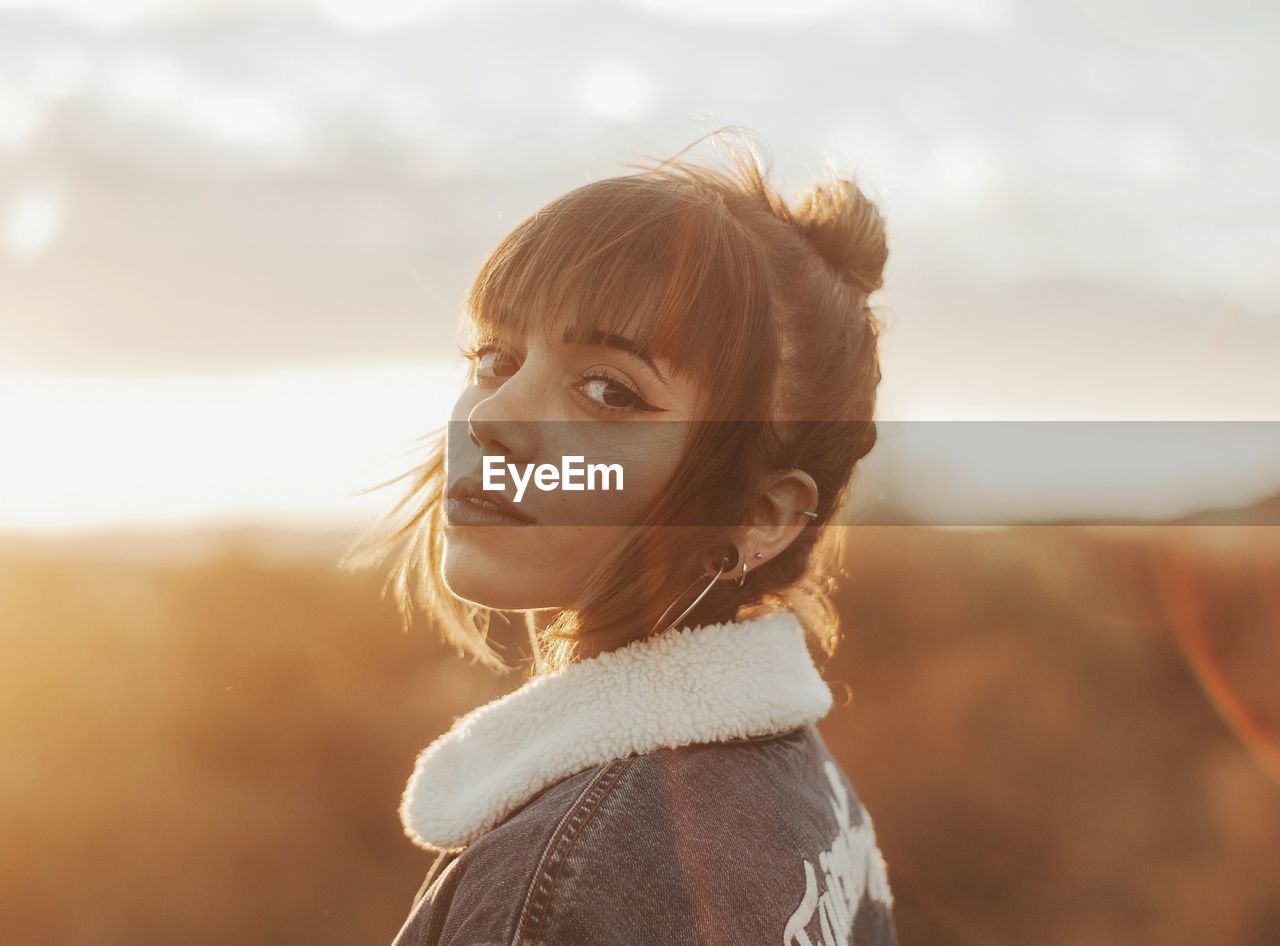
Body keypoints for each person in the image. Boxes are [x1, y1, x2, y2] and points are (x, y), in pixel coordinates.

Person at [347, 126, 897, 945]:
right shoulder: (807, 789)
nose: (493, 420)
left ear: (764, 515)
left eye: (608, 390)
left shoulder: (566, 886)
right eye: (496, 359)